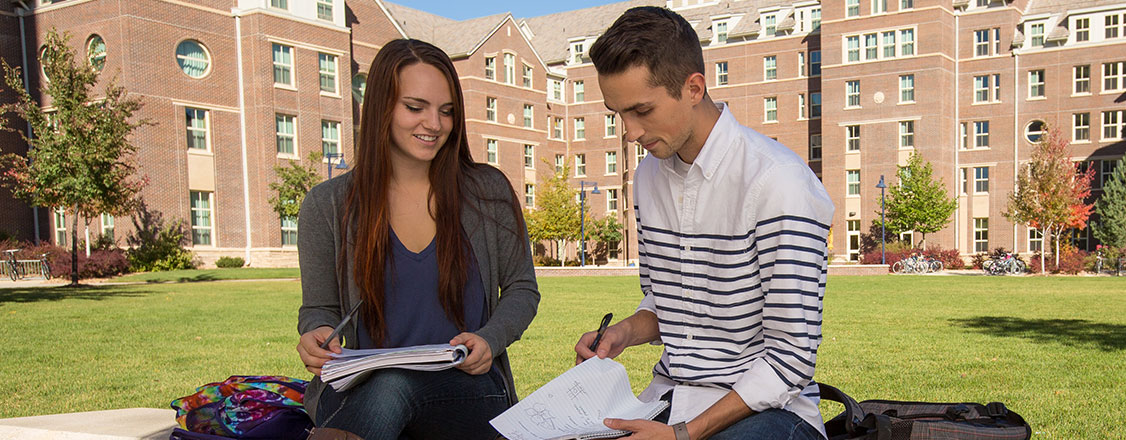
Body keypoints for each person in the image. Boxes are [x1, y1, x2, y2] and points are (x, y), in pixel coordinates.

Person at [572, 7, 834, 440]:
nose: (630, 132)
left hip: (767, 412)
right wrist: (623, 332)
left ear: (694, 88)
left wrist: (683, 435)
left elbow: (791, 358)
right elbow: (670, 303)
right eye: (617, 113)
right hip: (671, 396)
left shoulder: (779, 181)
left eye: (641, 110)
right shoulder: (647, 177)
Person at [294, 39, 539, 440]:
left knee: (395, 386)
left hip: (469, 388)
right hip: (359, 389)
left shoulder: (487, 192)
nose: (435, 124)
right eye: (415, 107)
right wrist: (317, 333)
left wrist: (489, 339)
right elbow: (319, 308)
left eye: (447, 111)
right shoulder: (327, 205)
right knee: (387, 386)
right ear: (381, 108)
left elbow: (522, 288)